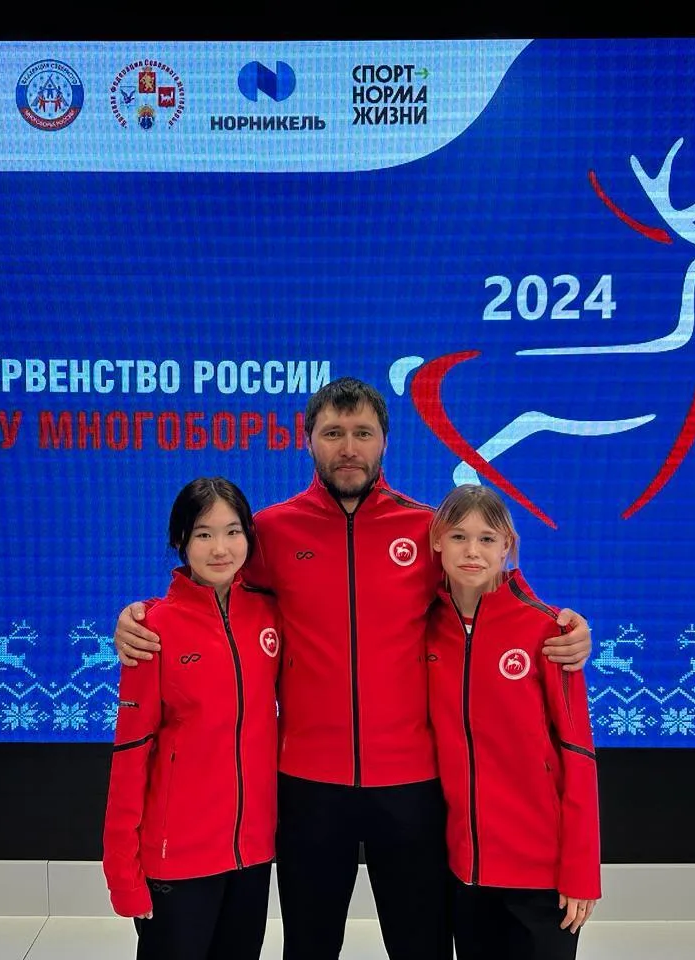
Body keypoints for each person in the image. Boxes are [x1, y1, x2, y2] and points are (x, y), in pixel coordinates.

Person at [115, 378, 593, 960]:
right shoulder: (273, 531)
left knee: (421, 948)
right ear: (308, 440)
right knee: (310, 947)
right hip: (308, 783)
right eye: (333, 433)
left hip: (411, 783)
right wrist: (141, 615)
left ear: (385, 441)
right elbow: (212, 591)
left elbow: (487, 585)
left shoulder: (424, 528)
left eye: (362, 433)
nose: (348, 448)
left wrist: (560, 623)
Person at [102, 477, 282, 960]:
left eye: (233, 532)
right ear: (181, 540)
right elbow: (130, 756)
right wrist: (122, 872)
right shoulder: (152, 630)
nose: (220, 548)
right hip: (176, 859)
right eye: (204, 534)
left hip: (251, 853)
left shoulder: (269, 614)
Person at [426, 484, 599, 960]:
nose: (472, 551)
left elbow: (578, 754)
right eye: (458, 536)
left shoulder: (548, 631)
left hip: (541, 875)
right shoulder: (426, 628)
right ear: (437, 541)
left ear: (508, 546)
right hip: (467, 871)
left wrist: (582, 871)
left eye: (487, 539)